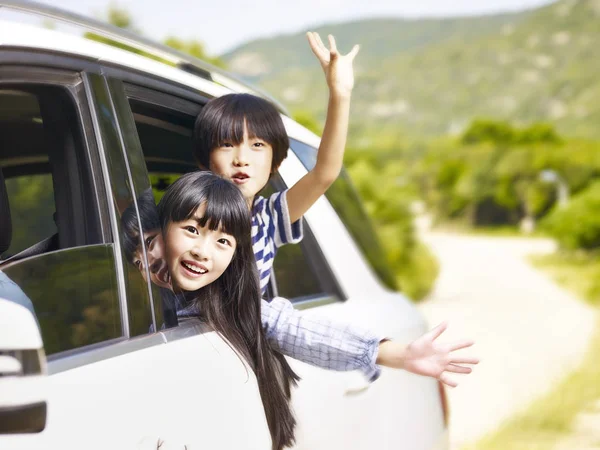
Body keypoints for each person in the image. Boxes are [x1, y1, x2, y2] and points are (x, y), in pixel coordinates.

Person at [190, 32, 478, 386]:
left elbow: (325, 173)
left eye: (257, 145)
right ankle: (391, 353)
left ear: (276, 162)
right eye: (226, 144)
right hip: (197, 337)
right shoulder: (186, 214)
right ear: (205, 160)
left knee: (267, 315)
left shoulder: (267, 219)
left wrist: (339, 94)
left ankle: (391, 353)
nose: (241, 158)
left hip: (240, 332)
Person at [157, 171, 298, 450]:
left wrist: (384, 351)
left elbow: (291, 325)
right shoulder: (139, 291)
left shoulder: (232, 313)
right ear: (158, 229)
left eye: (223, 241)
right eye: (192, 230)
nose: (202, 251)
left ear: (236, 256)